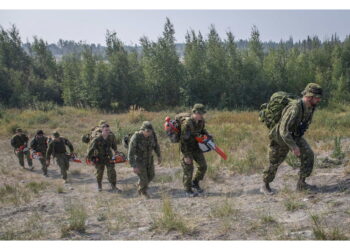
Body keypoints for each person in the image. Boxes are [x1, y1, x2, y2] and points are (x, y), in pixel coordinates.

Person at [261, 83, 323, 195]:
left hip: (294, 135)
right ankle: (265, 185)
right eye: (317, 98)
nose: (319, 100)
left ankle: (301, 184)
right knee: (274, 162)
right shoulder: (295, 108)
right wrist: (293, 147)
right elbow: (283, 130)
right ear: (309, 97)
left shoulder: (310, 107)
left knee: (308, 154)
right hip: (281, 137)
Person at [180, 104, 209, 197]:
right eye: (200, 113)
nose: (202, 115)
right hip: (186, 149)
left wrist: (207, 135)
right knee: (189, 169)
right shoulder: (187, 123)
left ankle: (195, 183)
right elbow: (183, 141)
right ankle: (187, 190)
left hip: (196, 147)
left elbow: (202, 130)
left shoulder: (201, 121)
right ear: (195, 113)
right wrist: (186, 156)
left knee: (203, 166)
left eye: (202, 114)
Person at [128, 121, 161, 198]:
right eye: (147, 131)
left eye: (151, 131)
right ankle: (143, 191)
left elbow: (156, 145)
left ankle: (141, 184)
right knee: (144, 179)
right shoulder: (136, 137)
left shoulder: (152, 135)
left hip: (149, 159)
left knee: (151, 175)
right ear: (142, 130)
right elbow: (130, 153)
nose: (149, 133)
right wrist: (134, 166)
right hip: (139, 161)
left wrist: (159, 156)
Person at [87, 123, 122, 193]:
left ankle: (113, 185)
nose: (108, 132)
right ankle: (99, 185)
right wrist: (90, 158)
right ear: (102, 130)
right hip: (99, 158)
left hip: (109, 157)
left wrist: (116, 151)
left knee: (112, 171)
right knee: (99, 172)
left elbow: (114, 145)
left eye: (108, 130)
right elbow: (90, 149)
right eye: (106, 130)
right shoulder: (97, 139)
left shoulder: (111, 137)